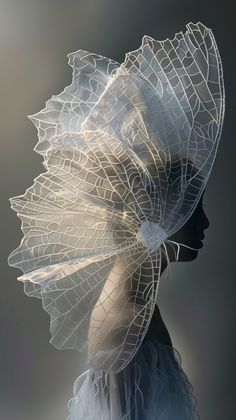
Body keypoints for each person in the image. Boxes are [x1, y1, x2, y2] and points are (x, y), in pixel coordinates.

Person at [8, 22, 224, 419]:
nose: (206, 223)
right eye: (194, 208)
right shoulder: (127, 324)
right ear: (160, 215)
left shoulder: (133, 302)